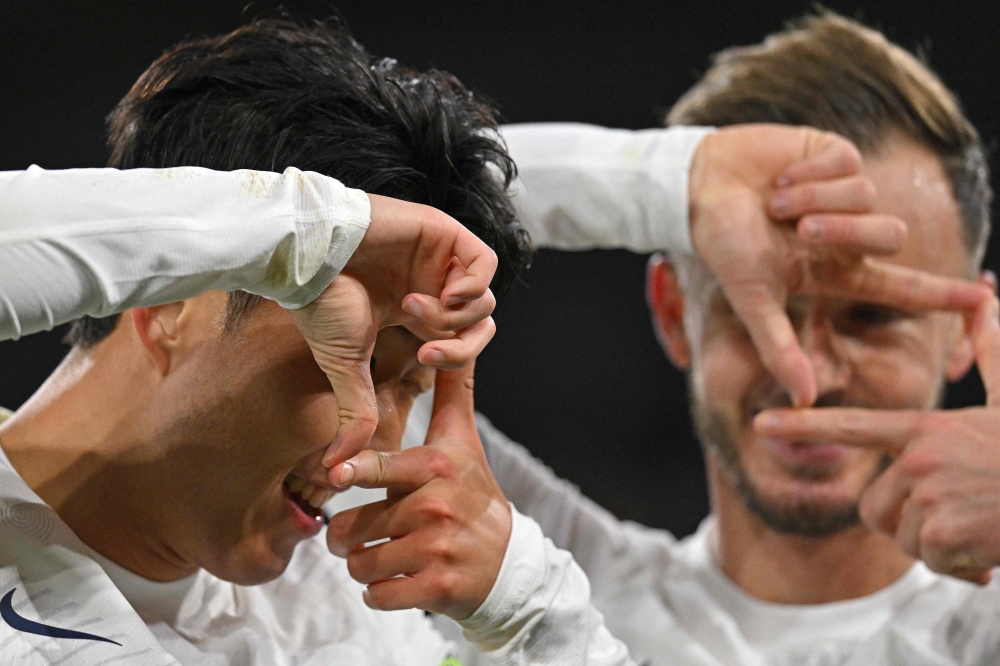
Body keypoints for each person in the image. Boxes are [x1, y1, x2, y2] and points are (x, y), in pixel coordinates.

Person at [0, 13, 977, 666]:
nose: (375, 439)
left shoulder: (356, 614)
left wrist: (534, 608)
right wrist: (654, 182)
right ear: (169, 289)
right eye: (355, 363)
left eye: (872, 315)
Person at [376, 12, 1000, 665]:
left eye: (871, 317)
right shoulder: (529, 575)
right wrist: (661, 184)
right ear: (674, 312)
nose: (807, 374)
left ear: (966, 326)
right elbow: (327, 235)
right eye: (758, 310)